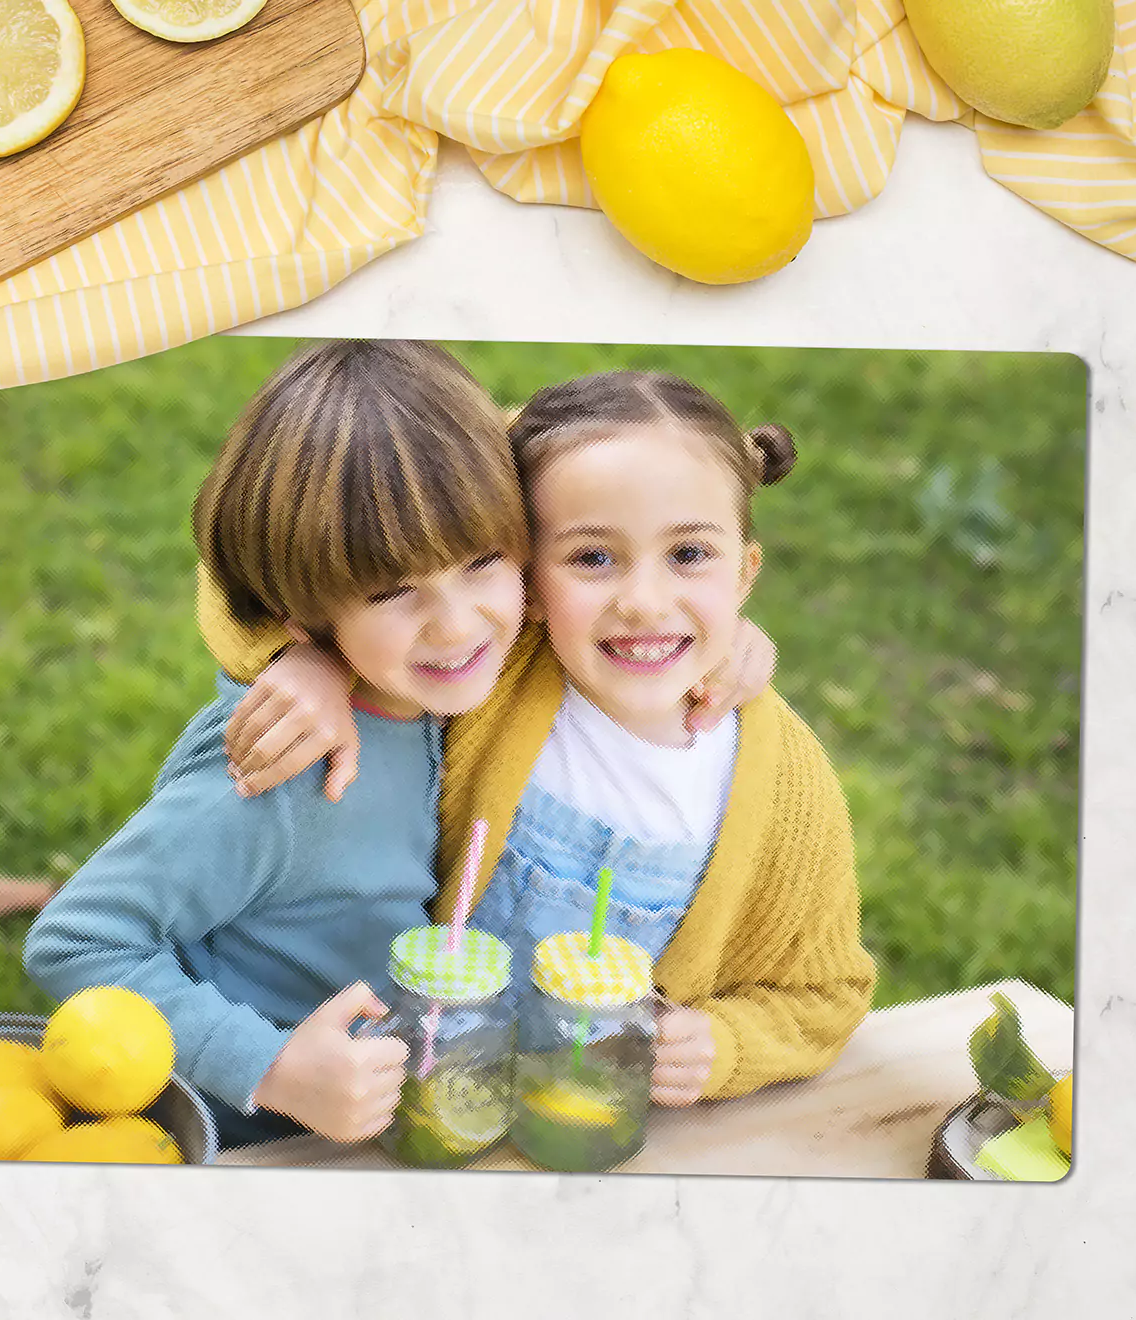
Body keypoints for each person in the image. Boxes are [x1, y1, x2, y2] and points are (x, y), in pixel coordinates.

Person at [204, 369, 877, 1106]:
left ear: (746, 572)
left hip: (585, 1142)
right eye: (592, 557)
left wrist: (728, 1044)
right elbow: (277, 543)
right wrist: (304, 658)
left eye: (689, 555)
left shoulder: (785, 788)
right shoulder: (489, 673)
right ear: (523, 574)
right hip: (409, 1112)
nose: (645, 603)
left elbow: (825, 993)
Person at [22, 339, 532, 1149]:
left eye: (483, 561)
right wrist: (273, 1065)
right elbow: (78, 939)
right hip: (252, 1146)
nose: (458, 622)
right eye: (394, 590)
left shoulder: (425, 683)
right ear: (302, 619)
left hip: (382, 1118)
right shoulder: (285, 777)